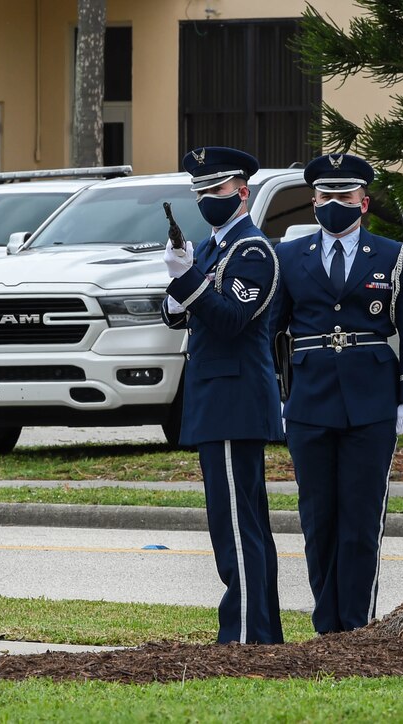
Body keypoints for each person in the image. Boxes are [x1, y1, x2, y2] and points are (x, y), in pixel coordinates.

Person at [271, 153, 403, 634]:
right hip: (310, 400)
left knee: (360, 522)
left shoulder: (393, 256)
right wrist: (277, 394)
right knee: (318, 521)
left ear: (363, 202)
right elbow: (270, 332)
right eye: (325, 196)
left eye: (344, 196)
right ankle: (328, 628)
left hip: (371, 401)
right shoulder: (288, 256)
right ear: (313, 201)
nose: (334, 204)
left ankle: (357, 627)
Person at [161, 146, 283, 644]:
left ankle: (246, 635)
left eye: (217, 188)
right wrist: (181, 275)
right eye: (201, 192)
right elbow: (176, 314)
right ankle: (260, 633)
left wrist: (186, 278)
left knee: (236, 525)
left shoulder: (252, 251)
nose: (208, 198)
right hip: (215, 398)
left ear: (242, 191)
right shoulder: (211, 248)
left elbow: (231, 318)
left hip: (235, 399)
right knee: (236, 521)